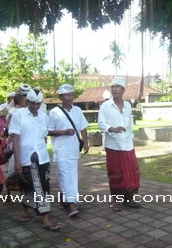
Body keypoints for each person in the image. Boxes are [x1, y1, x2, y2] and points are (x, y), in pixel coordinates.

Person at [9, 89, 60, 231]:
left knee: (43, 186)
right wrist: (17, 161)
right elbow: (15, 138)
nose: (35, 106)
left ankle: (45, 217)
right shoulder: (18, 116)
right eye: (32, 103)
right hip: (25, 156)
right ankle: (26, 209)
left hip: (42, 157)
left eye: (38, 103)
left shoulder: (44, 116)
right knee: (27, 184)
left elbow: (45, 135)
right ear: (27, 101)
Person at [98, 77, 140, 212]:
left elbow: (129, 124)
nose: (114, 89)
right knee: (115, 173)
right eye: (112, 86)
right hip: (114, 145)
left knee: (131, 171)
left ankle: (129, 199)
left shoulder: (127, 105)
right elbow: (101, 124)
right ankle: (116, 202)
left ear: (123, 89)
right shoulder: (105, 106)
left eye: (117, 86)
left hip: (127, 145)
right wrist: (112, 128)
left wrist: (130, 137)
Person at [48, 84, 89, 218]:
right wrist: (63, 132)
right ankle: (71, 204)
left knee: (72, 175)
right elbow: (49, 131)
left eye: (71, 94)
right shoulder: (54, 112)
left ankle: (63, 199)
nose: (70, 97)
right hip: (61, 150)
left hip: (73, 149)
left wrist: (86, 142)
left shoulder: (77, 110)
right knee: (65, 175)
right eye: (67, 95)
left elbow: (83, 127)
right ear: (60, 97)